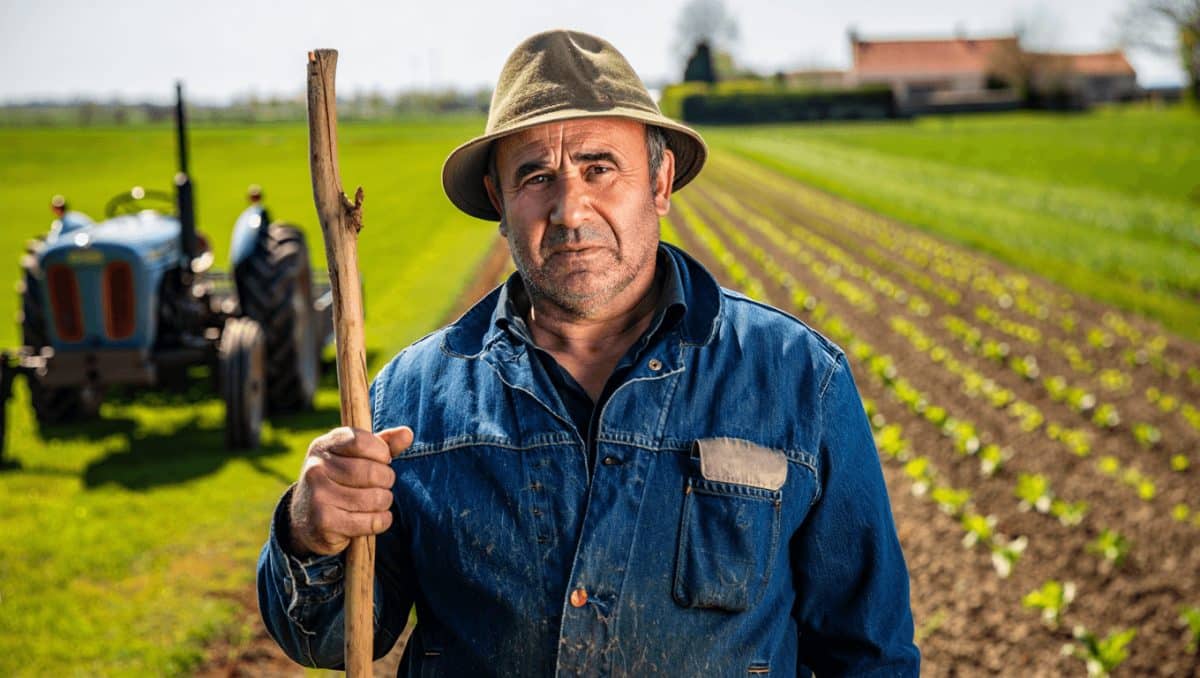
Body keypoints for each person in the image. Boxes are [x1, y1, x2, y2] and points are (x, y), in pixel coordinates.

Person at [258, 29, 919, 676]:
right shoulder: (412, 398)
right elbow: (331, 640)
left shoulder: (799, 379)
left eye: (599, 169)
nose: (570, 210)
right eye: (536, 176)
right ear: (498, 200)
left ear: (659, 181)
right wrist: (309, 530)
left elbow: (869, 655)